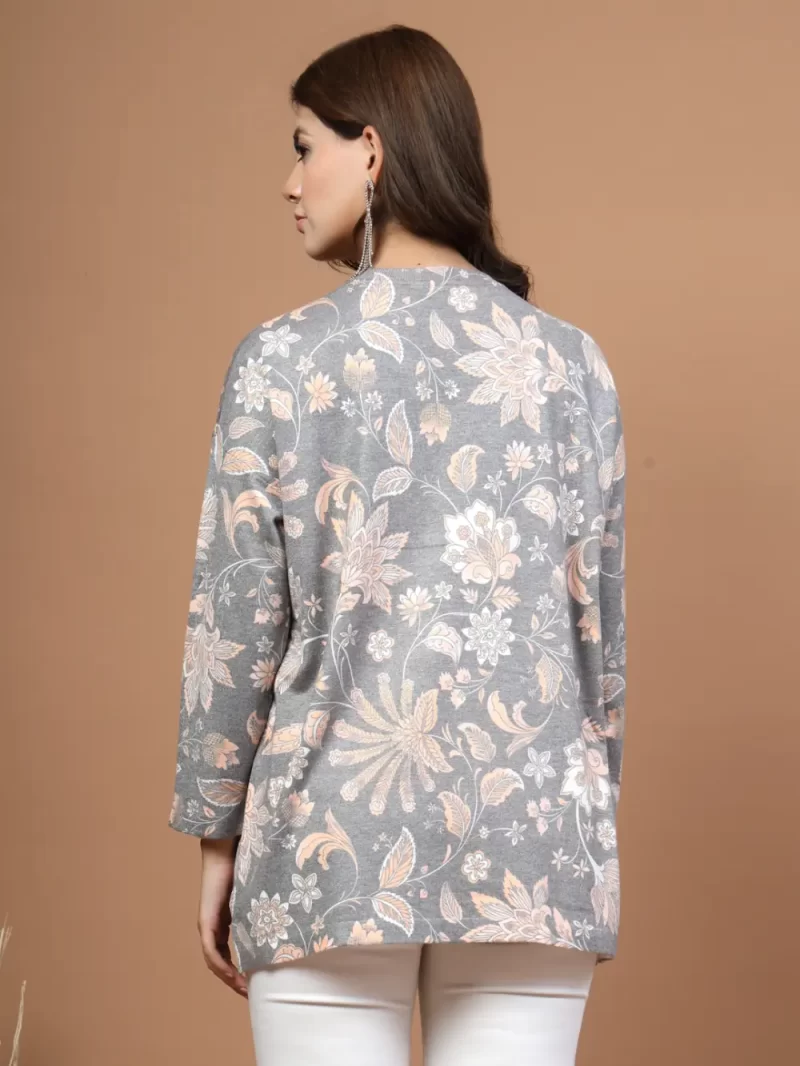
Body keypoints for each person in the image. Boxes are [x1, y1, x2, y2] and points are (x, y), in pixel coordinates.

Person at [168, 23, 626, 1066]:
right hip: (531, 844)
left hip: (329, 839)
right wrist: (584, 824)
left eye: (303, 147)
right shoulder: (572, 366)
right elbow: (597, 643)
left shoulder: (282, 360)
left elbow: (233, 626)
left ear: (370, 150)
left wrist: (216, 836)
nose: (290, 182)